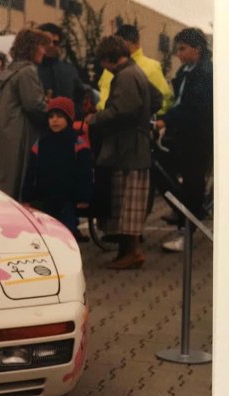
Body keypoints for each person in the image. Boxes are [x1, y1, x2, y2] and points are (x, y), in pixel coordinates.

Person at [85, 36, 162, 269]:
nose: (103, 67)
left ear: (109, 58)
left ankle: (132, 253)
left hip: (127, 148)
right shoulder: (136, 71)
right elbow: (156, 98)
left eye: (103, 62)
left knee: (126, 203)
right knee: (130, 203)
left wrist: (94, 118)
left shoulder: (125, 76)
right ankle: (125, 253)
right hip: (135, 146)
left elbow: (121, 110)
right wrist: (144, 114)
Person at [155, 28, 213, 252]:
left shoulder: (205, 73)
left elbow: (191, 107)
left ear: (197, 49)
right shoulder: (185, 71)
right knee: (164, 169)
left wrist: (166, 120)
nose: (178, 54)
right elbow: (177, 101)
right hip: (181, 133)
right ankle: (183, 209)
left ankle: (187, 231)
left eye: (182, 49)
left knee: (192, 182)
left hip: (197, 136)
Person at [0, 28, 50, 200]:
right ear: (32, 47)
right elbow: (34, 106)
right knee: (18, 188)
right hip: (20, 137)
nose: (44, 51)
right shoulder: (27, 71)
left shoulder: (11, 70)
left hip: (6, 136)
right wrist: (53, 115)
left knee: (3, 184)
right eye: (42, 46)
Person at [23, 97, 93, 243]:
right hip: (44, 198)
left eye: (60, 116)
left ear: (68, 118)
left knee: (66, 234)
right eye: (51, 116)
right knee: (46, 234)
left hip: (68, 199)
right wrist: (26, 197)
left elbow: (84, 172)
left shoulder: (77, 143)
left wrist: (84, 196)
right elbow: (31, 171)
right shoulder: (42, 142)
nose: (54, 120)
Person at [97, 24, 174, 115]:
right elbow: (102, 92)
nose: (119, 48)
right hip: (106, 117)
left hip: (126, 120)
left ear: (136, 43)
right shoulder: (110, 65)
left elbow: (163, 100)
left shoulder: (151, 66)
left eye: (122, 44)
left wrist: (145, 116)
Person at [37, 22, 91, 118]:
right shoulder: (30, 70)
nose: (51, 46)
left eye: (55, 43)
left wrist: (73, 116)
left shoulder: (69, 70)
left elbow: (80, 96)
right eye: (47, 42)